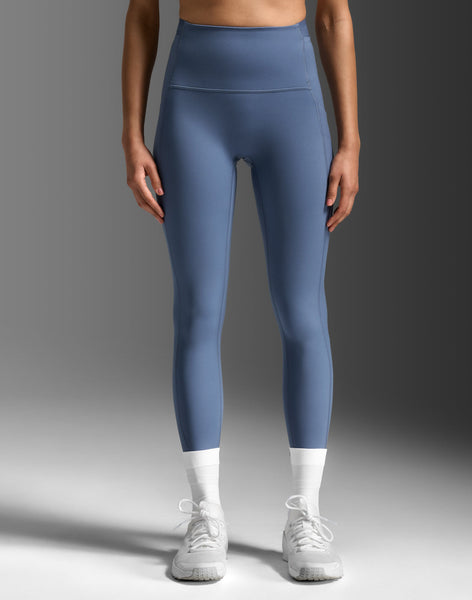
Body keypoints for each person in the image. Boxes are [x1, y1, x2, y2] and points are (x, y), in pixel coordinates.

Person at [121, 0, 360, 583]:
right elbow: (142, 13)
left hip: (290, 100)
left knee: (303, 313)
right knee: (198, 311)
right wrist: (130, 134)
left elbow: (333, 16)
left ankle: (305, 513)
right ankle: (205, 514)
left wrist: (351, 142)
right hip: (194, 101)